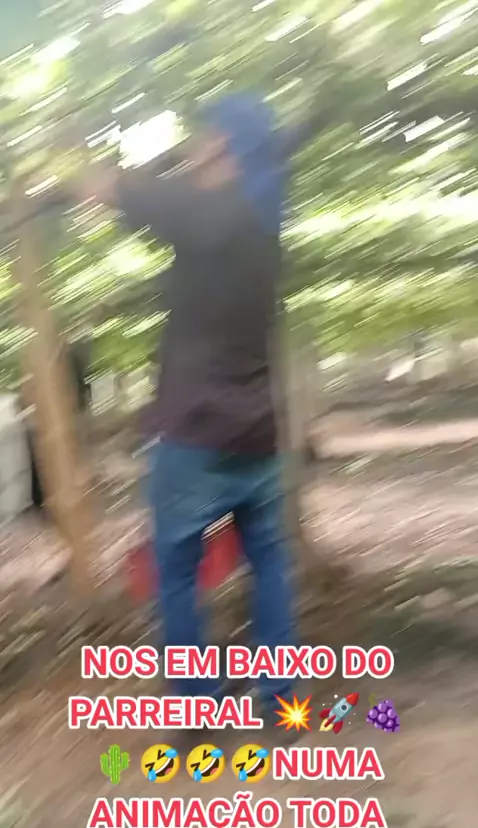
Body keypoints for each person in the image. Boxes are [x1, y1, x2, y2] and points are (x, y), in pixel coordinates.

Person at [71, 92, 323, 717]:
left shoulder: (210, 211)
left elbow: (128, 193)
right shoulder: (263, 221)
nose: (192, 142)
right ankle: (280, 699)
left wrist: (86, 169)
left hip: (193, 432)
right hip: (256, 434)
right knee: (269, 563)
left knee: (176, 570)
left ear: (221, 144)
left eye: (203, 133)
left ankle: (195, 705)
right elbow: (164, 214)